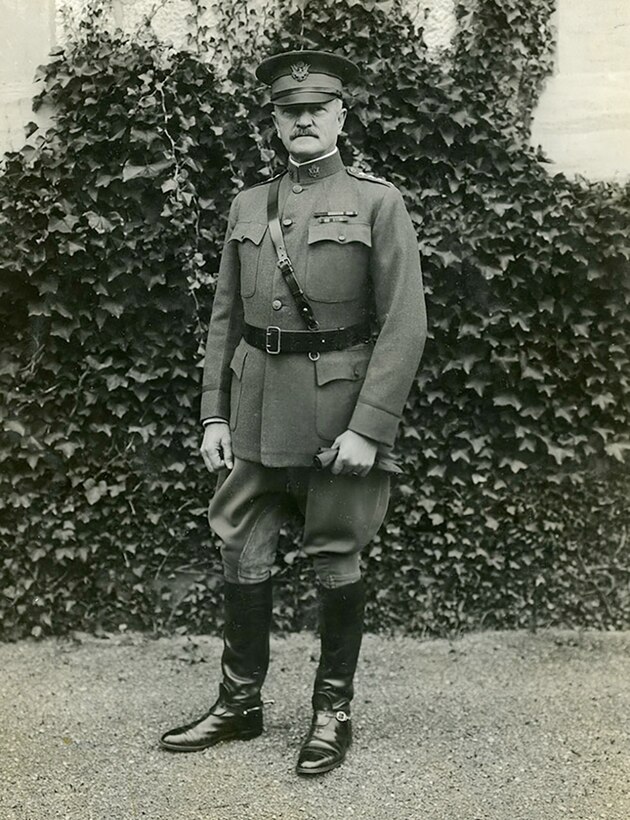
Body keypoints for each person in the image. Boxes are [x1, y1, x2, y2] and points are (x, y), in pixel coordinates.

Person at [160, 49, 427, 776]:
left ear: (341, 114)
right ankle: (239, 702)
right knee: (240, 548)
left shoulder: (380, 202)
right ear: (275, 122)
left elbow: (405, 325)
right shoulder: (250, 206)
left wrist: (370, 428)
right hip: (251, 413)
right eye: (289, 110)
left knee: (336, 552)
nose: (303, 119)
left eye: (317, 108)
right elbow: (223, 319)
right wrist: (214, 415)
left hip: (336, 420)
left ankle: (331, 712)